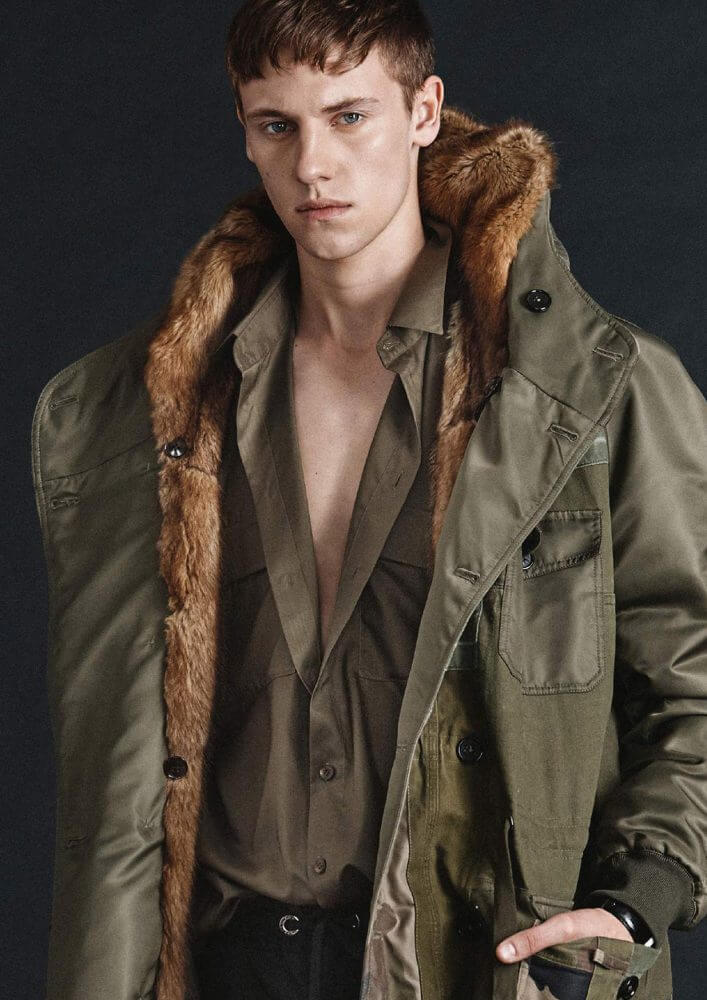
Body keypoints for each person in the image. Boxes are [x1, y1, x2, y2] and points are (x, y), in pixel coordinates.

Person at [30, 1, 707, 999]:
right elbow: (122, 762)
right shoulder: (140, 409)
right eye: (278, 125)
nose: (313, 165)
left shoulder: (592, 393)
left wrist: (634, 899)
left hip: (471, 963)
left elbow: (691, 678)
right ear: (245, 132)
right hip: (225, 962)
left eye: (349, 116)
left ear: (423, 110)